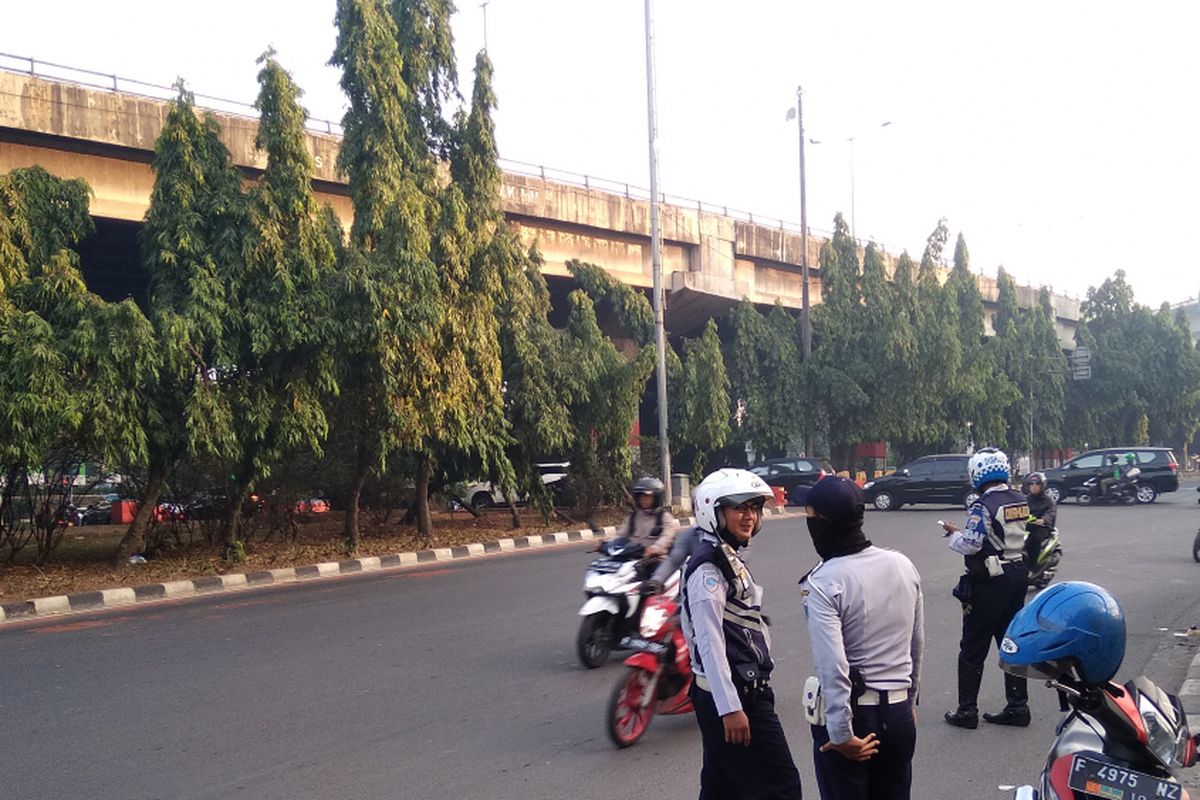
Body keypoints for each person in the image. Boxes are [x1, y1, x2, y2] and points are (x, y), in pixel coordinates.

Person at [797, 476, 924, 800]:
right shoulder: (902, 565)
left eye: (810, 515)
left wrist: (840, 734)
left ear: (823, 522)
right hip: (898, 715)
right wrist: (910, 700)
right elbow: (915, 644)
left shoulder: (823, 582)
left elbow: (833, 664)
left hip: (855, 717)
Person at [682, 468, 802, 799]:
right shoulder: (709, 568)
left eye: (753, 508)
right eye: (739, 508)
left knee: (722, 787)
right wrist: (730, 708)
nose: (749, 516)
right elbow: (709, 644)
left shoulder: (725, 555)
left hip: (736, 689)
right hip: (738, 694)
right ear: (713, 511)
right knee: (782, 787)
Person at [940, 447, 1032, 729]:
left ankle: (967, 711)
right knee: (1010, 641)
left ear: (977, 473)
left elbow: (972, 543)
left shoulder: (982, 505)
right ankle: (1018, 706)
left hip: (990, 580)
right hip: (1017, 575)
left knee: (973, 646)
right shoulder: (1020, 499)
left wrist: (953, 536)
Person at [1021, 472, 1056, 571]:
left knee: (1033, 540)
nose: (1034, 486)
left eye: (1037, 484)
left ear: (1042, 486)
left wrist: (1043, 520)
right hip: (1025, 526)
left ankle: (1031, 567)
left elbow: (1051, 513)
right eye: (1031, 484)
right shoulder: (1025, 500)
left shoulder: (1048, 501)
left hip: (1041, 528)